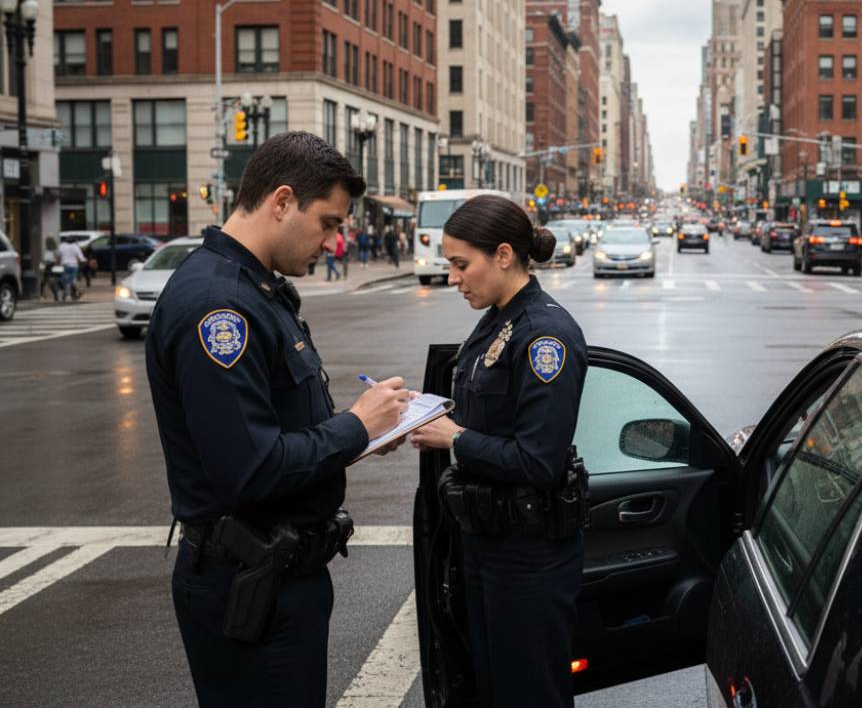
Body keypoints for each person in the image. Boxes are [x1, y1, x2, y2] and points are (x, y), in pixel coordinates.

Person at [145, 131, 413, 707]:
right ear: (282, 201)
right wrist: (354, 428)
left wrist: (363, 435)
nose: (333, 240)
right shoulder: (222, 307)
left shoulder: (258, 291)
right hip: (248, 583)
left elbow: (274, 433)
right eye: (328, 222)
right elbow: (248, 468)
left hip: (274, 576)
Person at [409, 195, 588, 708]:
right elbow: (487, 406)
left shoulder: (544, 334)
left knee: (528, 692)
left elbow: (538, 459)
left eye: (462, 264)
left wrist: (455, 438)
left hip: (528, 555)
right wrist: (422, 414)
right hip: (487, 540)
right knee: (488, 686)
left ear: (504, 255)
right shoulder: (498, 318)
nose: (452, 278)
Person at [57, 236, 86, 301]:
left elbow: (58, 256)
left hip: (64, 265)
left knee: (66, 279)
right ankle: (73, 292)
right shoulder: (75, 246)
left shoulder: (62, 246)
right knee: (71, 280)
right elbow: (81, 257)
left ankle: (68, 293)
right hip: (73, 265)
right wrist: (83, 261)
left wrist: (57, 263)